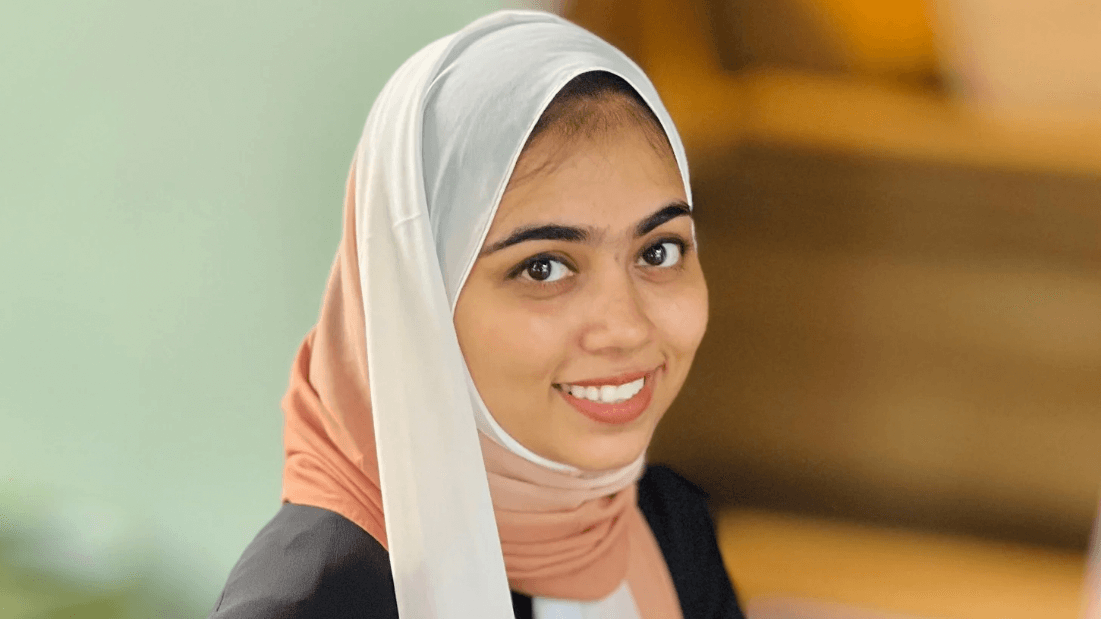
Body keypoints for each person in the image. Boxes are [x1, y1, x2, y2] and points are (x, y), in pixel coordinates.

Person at [209, 10, 744, 619]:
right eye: (544, 267)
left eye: (659, 251)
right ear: (418, 296)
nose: (625, 327)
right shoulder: (312, 604)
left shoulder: (668, 528)